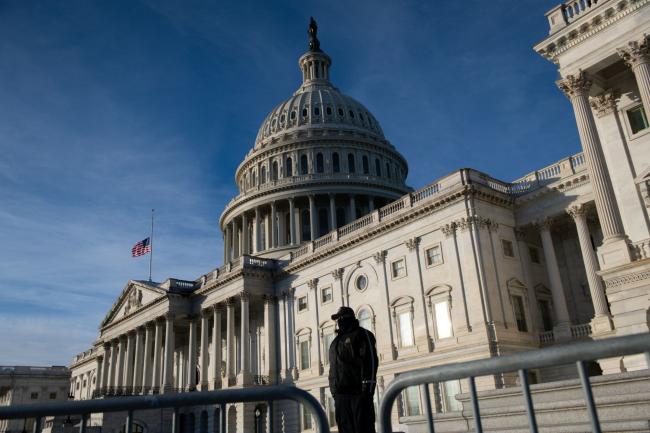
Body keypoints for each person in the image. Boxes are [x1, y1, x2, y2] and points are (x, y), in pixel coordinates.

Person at [328, 306, 379, 433]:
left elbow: (371, 361)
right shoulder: (335, 342)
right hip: (340, 397)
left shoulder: (362, 334)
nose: (338, 322)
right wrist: (334, 392)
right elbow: (333, 368)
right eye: (337, 319)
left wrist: (367, 391)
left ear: (347, 318)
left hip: (358, 394)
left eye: (340, 318)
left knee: (363, 428)